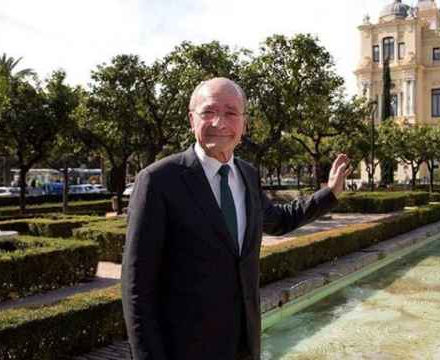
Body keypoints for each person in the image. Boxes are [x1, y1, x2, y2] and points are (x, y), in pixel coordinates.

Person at [121, 78, 352, 360]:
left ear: (244, 123)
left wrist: (328, 194)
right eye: (208, 112)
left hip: (244, 345)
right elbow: (137, 288)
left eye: (231, 113)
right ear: (191, 119)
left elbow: (278, 220)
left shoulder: (247, 174)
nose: (220, 122)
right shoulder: (157, 181)